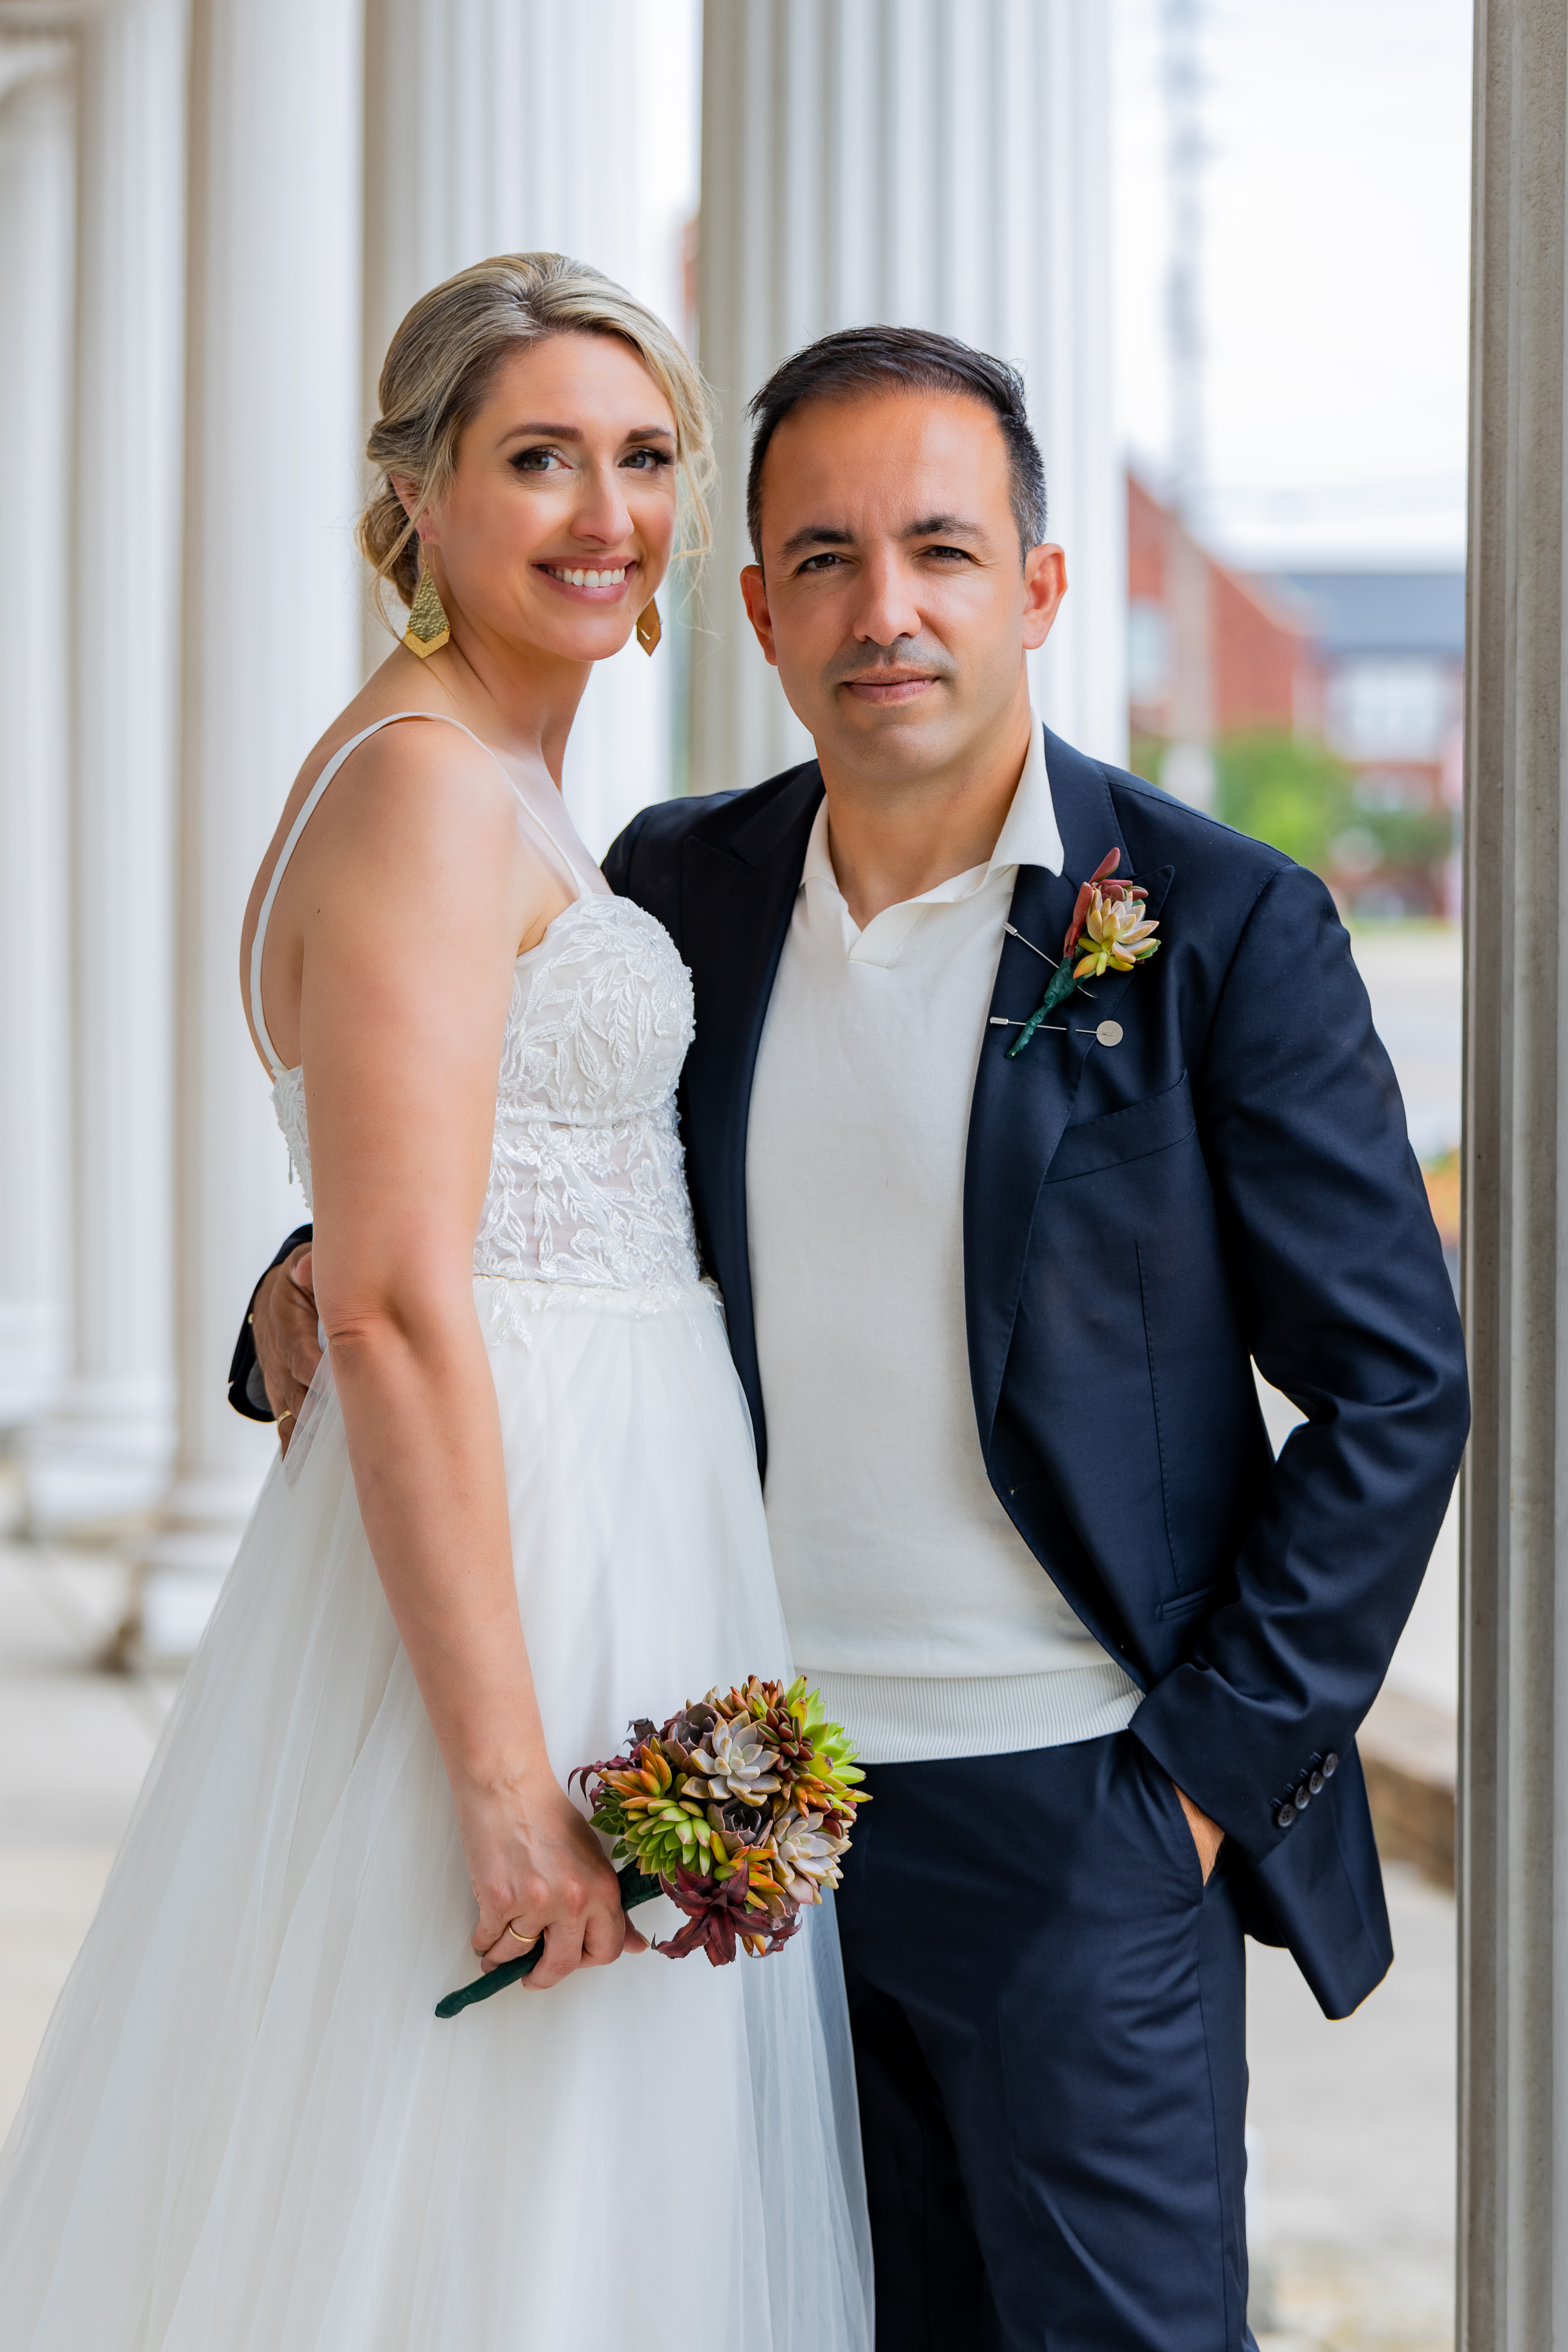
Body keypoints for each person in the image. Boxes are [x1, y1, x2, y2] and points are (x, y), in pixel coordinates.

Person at [242, 326, 1469, 2351]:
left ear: (1040, 588)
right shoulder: (675, 893)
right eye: (820, 558)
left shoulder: (1219, 925)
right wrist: (306, 1280)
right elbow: (522, 1178)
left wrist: (1190, 1789)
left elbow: (1391, 1388)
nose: (880, 609)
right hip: (728, 1816)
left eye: (939, 550)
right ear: (751, 606)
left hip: (1078, 1811)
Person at [0, 257, 873, 2352]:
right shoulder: (417, 785)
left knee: (577, 2186)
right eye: (538, 459)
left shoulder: (504, 773)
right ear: (413, 499)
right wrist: (505, 1782)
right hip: (516, 1563)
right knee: (493, 2180)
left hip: (616, 1518)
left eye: (647, 458)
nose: (606, 513)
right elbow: (390, 1307)